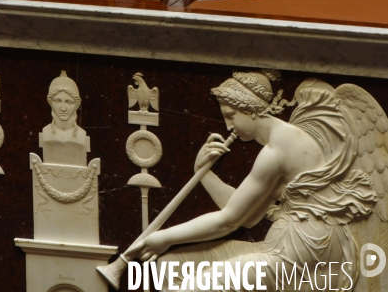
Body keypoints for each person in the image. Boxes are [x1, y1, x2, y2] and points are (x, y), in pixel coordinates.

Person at [125, 72, 375, 292]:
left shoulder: (277, 150)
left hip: (302, 254)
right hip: (287, 243)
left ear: (250, 108)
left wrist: (165, 237)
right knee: (169, 267)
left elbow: (228, 221)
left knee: (193, 287)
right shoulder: (281, 143)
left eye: (231, 116)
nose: (228, 125)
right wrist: (203, 172)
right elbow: (247, 215)